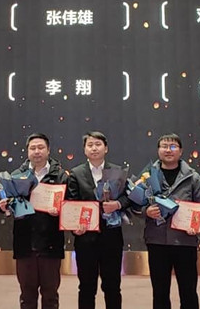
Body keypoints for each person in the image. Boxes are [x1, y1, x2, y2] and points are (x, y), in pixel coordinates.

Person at [0, 133, 68, 309]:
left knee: (50, 296)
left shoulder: (61, 176)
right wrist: (4, 206)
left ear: (48, 150)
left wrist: (61, 211)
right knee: (27, 296)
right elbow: (10, 205)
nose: (37, 151)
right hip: (25, 244)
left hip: (51, 244)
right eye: (33, 148)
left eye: (41, 147)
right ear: (28, 151)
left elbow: (70, 205)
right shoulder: (16, 176)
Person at [141, 133, 200, 309]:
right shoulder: (147, 176)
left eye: (173, 146)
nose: (168, 150)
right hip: (157, 241)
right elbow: (134, 204)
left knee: (188, 291)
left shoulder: (192, 177)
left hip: (185, 240)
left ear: (181, 151)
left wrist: (196, 226)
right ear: (158, 150)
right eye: (164, 146)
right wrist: (146, 211)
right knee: (160, 292)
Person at [66, 131, 129, 309]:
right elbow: (71, 202)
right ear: (84, 150)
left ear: (106, 148)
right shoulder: (76, 173)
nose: (94, 148)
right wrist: (74, 227)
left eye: (98, 144)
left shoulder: (117, 172)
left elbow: (128, 198)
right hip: (86, 239)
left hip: (112, 238)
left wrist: (117, 204)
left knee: (112, 286)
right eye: (90, 145)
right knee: (86, 287)